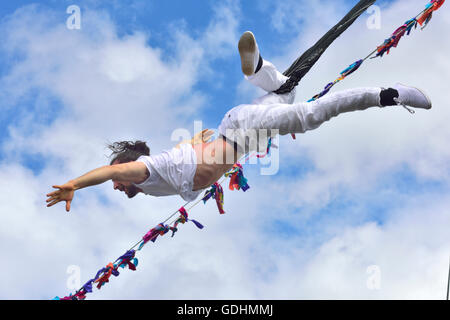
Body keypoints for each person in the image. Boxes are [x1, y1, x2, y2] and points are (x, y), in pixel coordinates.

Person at [46, 31, 432, 212]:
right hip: (237, 128)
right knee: (287, 94)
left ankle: (388, 95)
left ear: (124, 169)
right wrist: (202, 164)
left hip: (243, 131)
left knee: (311, 115)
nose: (117, 185)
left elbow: (107, 172)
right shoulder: (155, 180)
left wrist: (74, 184)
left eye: (117, 179)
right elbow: (194, 168)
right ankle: (260, 70)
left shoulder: (142, 171)